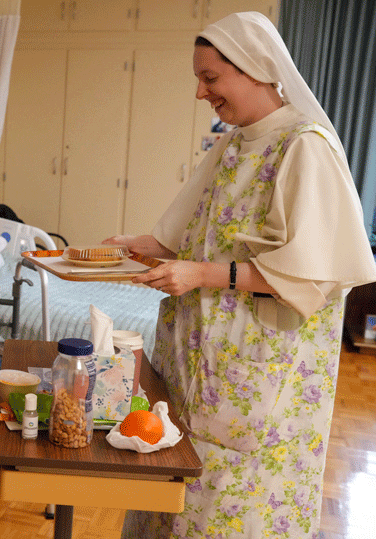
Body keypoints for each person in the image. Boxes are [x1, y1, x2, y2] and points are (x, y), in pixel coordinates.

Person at [104, 12, 376, 539]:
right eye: (199, 78)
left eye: (211, 78)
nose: (202, 93)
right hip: (195, 357)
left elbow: (308, 277)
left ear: (255, 68)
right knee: (171, 490)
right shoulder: (231, 146)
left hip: (258, 369)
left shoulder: (304, 147)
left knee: (227, 510)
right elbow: (187, 232)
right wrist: (136, 247)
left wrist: (200, 274)